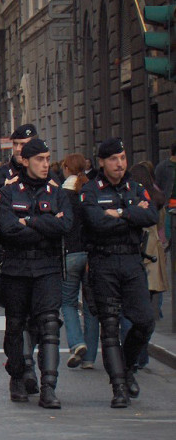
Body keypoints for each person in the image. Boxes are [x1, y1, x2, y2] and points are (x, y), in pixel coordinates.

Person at [80, 138, 158, 408]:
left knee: (145, 320)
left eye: (123, 158)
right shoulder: (90, 190)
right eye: (113, 159)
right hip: (103, 262)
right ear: (102, 161)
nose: (120, 163)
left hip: (131, 261)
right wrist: (131, 214)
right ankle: (118, 387)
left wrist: (120, 214)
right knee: (110, 327)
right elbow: (96, 222)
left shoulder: (135, 187)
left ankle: (127, 369)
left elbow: (151, 217)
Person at [0, 138, 72, 409]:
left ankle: (49, 387)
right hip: (16, 268)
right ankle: (17, 377)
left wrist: (28, 221)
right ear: (26, 161)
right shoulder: (9, 192)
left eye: (47, 158)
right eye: (39, 159)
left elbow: (65, 226)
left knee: (49, 325)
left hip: (48, 268)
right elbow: (7, 228)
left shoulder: (57, 192)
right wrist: (44, 226)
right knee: (15, 326)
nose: (45, 164)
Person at [0, 124, 42, 394]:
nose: (19, 150)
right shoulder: (0, 174)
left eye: (24, 144)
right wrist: (2, 191)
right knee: (15, 320)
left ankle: (25, 361)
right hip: (9, 255)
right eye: (15, 145)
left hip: (40, 254)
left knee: (39, 319)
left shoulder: (46, 173)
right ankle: (20, 370)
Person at [126, 160, 168, 370]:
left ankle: (137, 354)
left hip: (140, 251)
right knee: (149, 306)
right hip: (155, 251)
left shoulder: (134, 196)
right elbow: (160, 224)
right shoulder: (158, 195)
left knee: (135, 310)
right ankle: (141, 354)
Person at [59, 153, 99, 369]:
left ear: (66, 168)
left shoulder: (62, 194)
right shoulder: (90, 191)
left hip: (70, 253)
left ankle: (76, 343)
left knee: (68, 302)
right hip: (90, 254)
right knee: (92, 307)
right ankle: (90, 358)